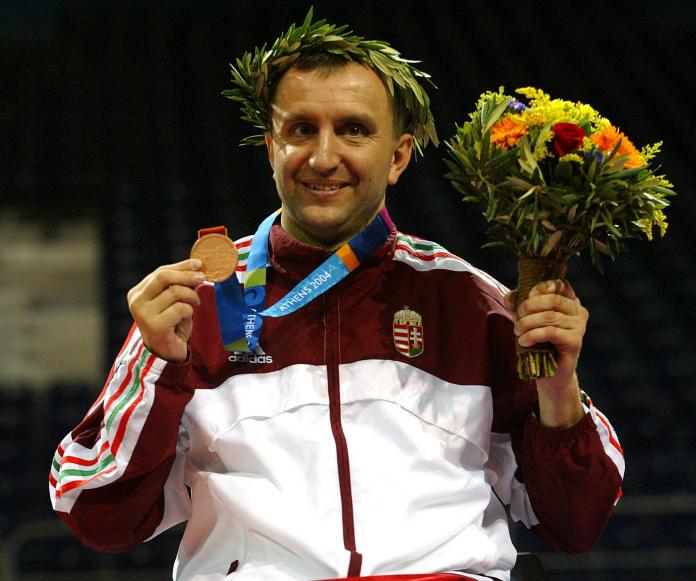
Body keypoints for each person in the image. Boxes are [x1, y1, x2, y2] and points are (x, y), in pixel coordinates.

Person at [49, 10, 624, 581]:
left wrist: (558, 391)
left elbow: (574, 524)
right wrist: (160, 368)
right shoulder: (192, 308)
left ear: (397, 156)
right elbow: (102, 521)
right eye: (301, 129)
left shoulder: (471, 303)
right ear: (270, 148)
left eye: (353, 129)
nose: (324, 158)